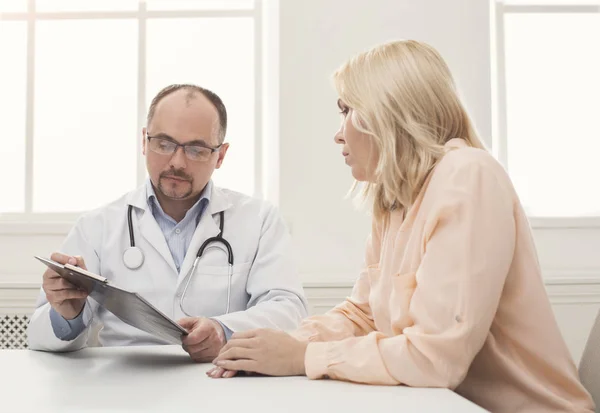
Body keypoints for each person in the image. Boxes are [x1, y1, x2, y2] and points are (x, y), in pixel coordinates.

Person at [209, 40, 595, 412]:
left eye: (346, 110)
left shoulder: (468, 176)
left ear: (389, 113)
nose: (338, 133)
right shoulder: (393, 201)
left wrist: (305, 355)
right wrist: (275, 345)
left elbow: (435, 357)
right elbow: (362, 315)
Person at [27, 84, 308, 364]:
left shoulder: (259, 220)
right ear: (143, 141)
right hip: (128, 387)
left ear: (220, 155)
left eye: (196, 149)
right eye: (163, 144)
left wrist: (224, 330)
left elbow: (290, 309)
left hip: (222, 377)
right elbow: (38, 335)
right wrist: (67, 313)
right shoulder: (97, 226)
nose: (177, 161)